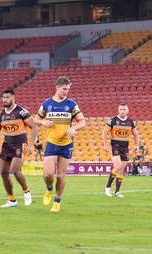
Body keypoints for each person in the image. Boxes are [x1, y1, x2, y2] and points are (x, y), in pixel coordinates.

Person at [34, 77, 86, 213]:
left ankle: (57, 201)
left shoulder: (71, 104)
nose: (66, 92)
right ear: (57, 87)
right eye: (64, 89)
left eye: (68, 89)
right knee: (48, 175)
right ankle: (49, 188)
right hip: (52, 142)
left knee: (61, 174)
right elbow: (36, 119)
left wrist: (74, 128)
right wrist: (43, 122)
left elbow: (82, 122)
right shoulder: (46, 104)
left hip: (66, 143)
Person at [0, 89, 39, 208]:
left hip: (20, 144)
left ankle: (26, 191)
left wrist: (31, 144)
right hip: (7, 145)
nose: (5, 100)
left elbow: (34, 127)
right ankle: (12, 200)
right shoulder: (1, 115)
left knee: (15, 170)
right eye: (4, 98)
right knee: (3, 172)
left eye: (7, 97)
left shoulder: (21, 112)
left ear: (13, 98)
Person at [102, 103, 140, 198]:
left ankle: (117, 192)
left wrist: (137, 145)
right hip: (115, 146)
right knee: (118, 166)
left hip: (125, 147)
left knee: (121, 169)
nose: (122, 111)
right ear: (118, 110)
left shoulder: (131, 122)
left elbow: (136, 134)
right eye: (121, 109)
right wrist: (105, 144)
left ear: (127, 111)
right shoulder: (113, 121)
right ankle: (107, 187)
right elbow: (104, 131)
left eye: (124, 109)